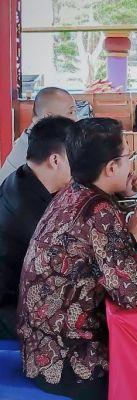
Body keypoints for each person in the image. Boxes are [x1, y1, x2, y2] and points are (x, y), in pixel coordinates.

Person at [17, 118, 137, 400]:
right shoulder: (99, 211)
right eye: (128, 158)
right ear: (111, 168)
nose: (131, 165)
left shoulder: (72, 192)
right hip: (70, 362)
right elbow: (135, 297)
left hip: (36, 349)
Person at [0, 117, 74, 339]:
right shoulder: (27, 208)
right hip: (12, 312)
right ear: (55, 160)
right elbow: (72, 264)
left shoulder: (22, 177)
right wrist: (128, 236)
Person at [0, 87, 77, 184]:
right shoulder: (38, 142)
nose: (75, 119)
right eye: (70, 112)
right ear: (48, 116)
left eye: (75, 112)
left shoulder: (41, 133)